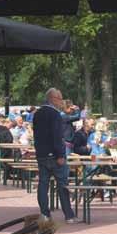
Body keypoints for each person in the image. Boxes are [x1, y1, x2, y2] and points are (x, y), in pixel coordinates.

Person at [33, 88, 77, 223]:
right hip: (54, 155)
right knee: (62, 184)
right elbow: (57, 136)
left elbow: (36, 135)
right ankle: (68, 215)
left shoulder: (37, 114)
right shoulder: (55, 114)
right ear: (52, 98)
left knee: (43, 184)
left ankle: (45, 214)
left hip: (41, 154)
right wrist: (60, 154)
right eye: (59, 99)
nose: (61, 102)